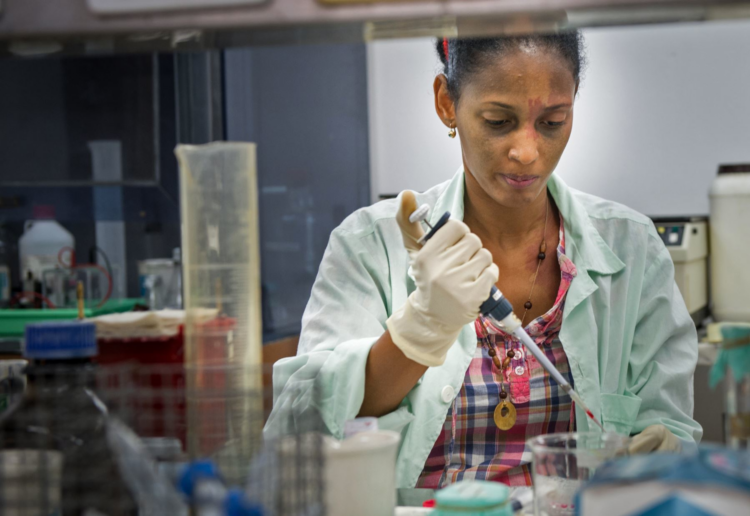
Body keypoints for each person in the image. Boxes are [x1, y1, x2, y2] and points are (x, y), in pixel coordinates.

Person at [265, 32, 702, 488]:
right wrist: (422, 328)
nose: (527, 152)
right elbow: (298, 435)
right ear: (446, 102)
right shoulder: (370, 246)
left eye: (553, 122)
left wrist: (662, 455)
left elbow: (670, 426)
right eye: (498, 121)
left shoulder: (632, 249)